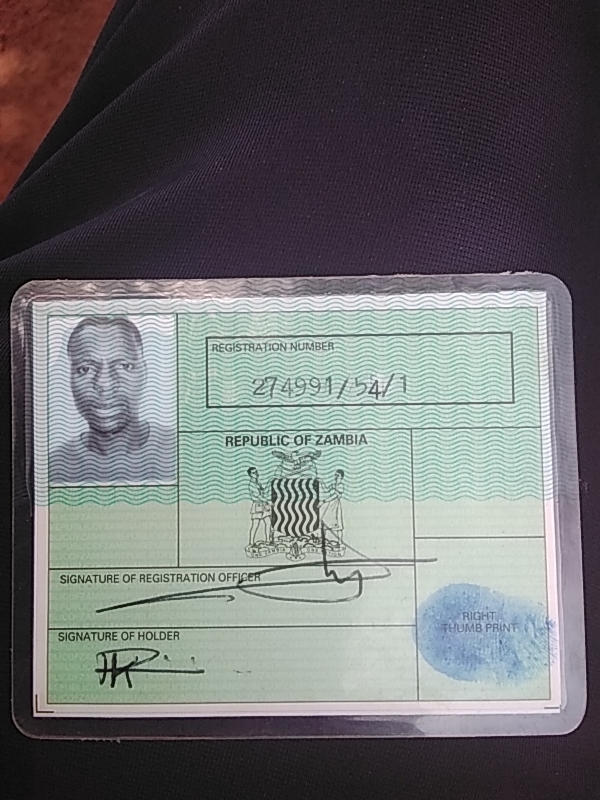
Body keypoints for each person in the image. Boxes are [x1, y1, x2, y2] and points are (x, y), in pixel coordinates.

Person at [49, 316, 176, 484]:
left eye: (124, 366)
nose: (104, 384)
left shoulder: (182, 450)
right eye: (85, 369)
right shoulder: (53, 468)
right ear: (70, 378)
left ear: (144, 373)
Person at [246, 467, 272, 550]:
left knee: (268, 522)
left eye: (256, 472)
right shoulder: (252, 485)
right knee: (255, 525)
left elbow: (263, 492)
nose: (256, 474)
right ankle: (251, 542)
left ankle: (268, 540)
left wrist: (269, 483)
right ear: (250, 475)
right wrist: (268, 501)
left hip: (263, 505)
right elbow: (258, 496)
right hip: (258, 506)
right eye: (253, 473)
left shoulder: (258, 483)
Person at [319, 469, 345, 544]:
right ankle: (323, 541)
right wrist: (321, 482)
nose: (336, 477)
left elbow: (335, 496)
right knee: (325, 522)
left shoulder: (341, 486)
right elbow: (326, 490)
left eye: (338, 475)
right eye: (335, 475)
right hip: (330, 505)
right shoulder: (334, 484)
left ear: (341, 477)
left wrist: (323, 501)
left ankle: (340, 542)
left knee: (338, 524)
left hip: (336, 506)